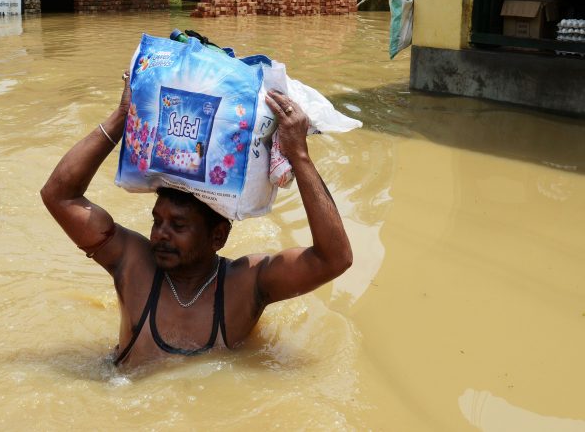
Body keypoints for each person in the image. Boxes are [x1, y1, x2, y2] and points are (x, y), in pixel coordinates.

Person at [40, 72, 352, 369]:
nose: (160, 234)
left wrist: (299, 155)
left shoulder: (245, 284)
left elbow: (334, 259)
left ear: (218, 237)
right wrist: (122, 116)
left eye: (178, 226)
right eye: (157, 221)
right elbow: (59, 196)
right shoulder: (132, 264)